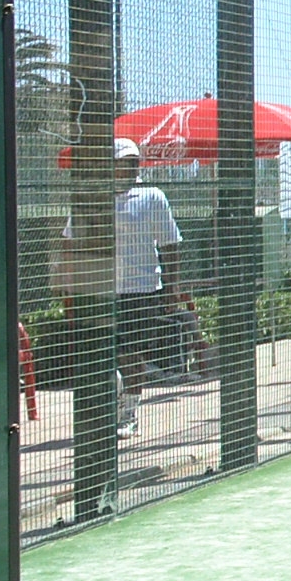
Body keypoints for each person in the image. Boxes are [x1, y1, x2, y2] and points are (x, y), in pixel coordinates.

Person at [57, 137, 184, 440]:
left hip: (142, 290)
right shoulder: (92, 198)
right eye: (122, 162)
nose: (128, 167)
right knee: (101, 354)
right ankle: (108, 408)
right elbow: (69, 241)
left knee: (130, 355)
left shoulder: (152, 196)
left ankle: (128, 413)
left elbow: (170, 243)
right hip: (100, 291)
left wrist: (172, 288)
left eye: (132, 161)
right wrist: (68, 284)